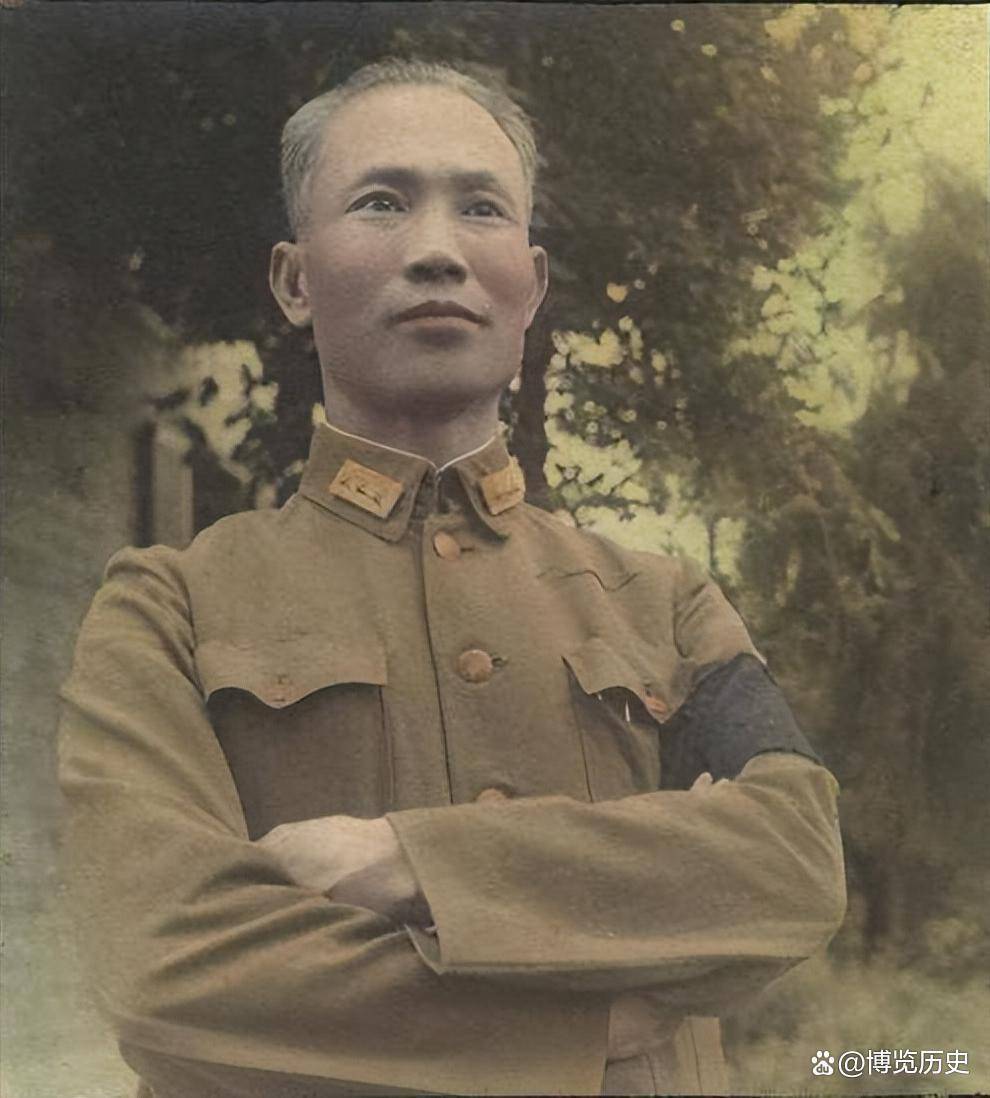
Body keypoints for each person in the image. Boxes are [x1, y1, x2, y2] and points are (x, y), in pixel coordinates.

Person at [58, 58, 846, 1097]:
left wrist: (405, 859)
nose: (437, 249)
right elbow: (164, 965)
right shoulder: (168, 607)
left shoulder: (666, 605)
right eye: (381, 202)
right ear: (295, 281)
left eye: (481, 207)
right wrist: (591, 1025)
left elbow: (793, 860)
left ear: (533, 285)